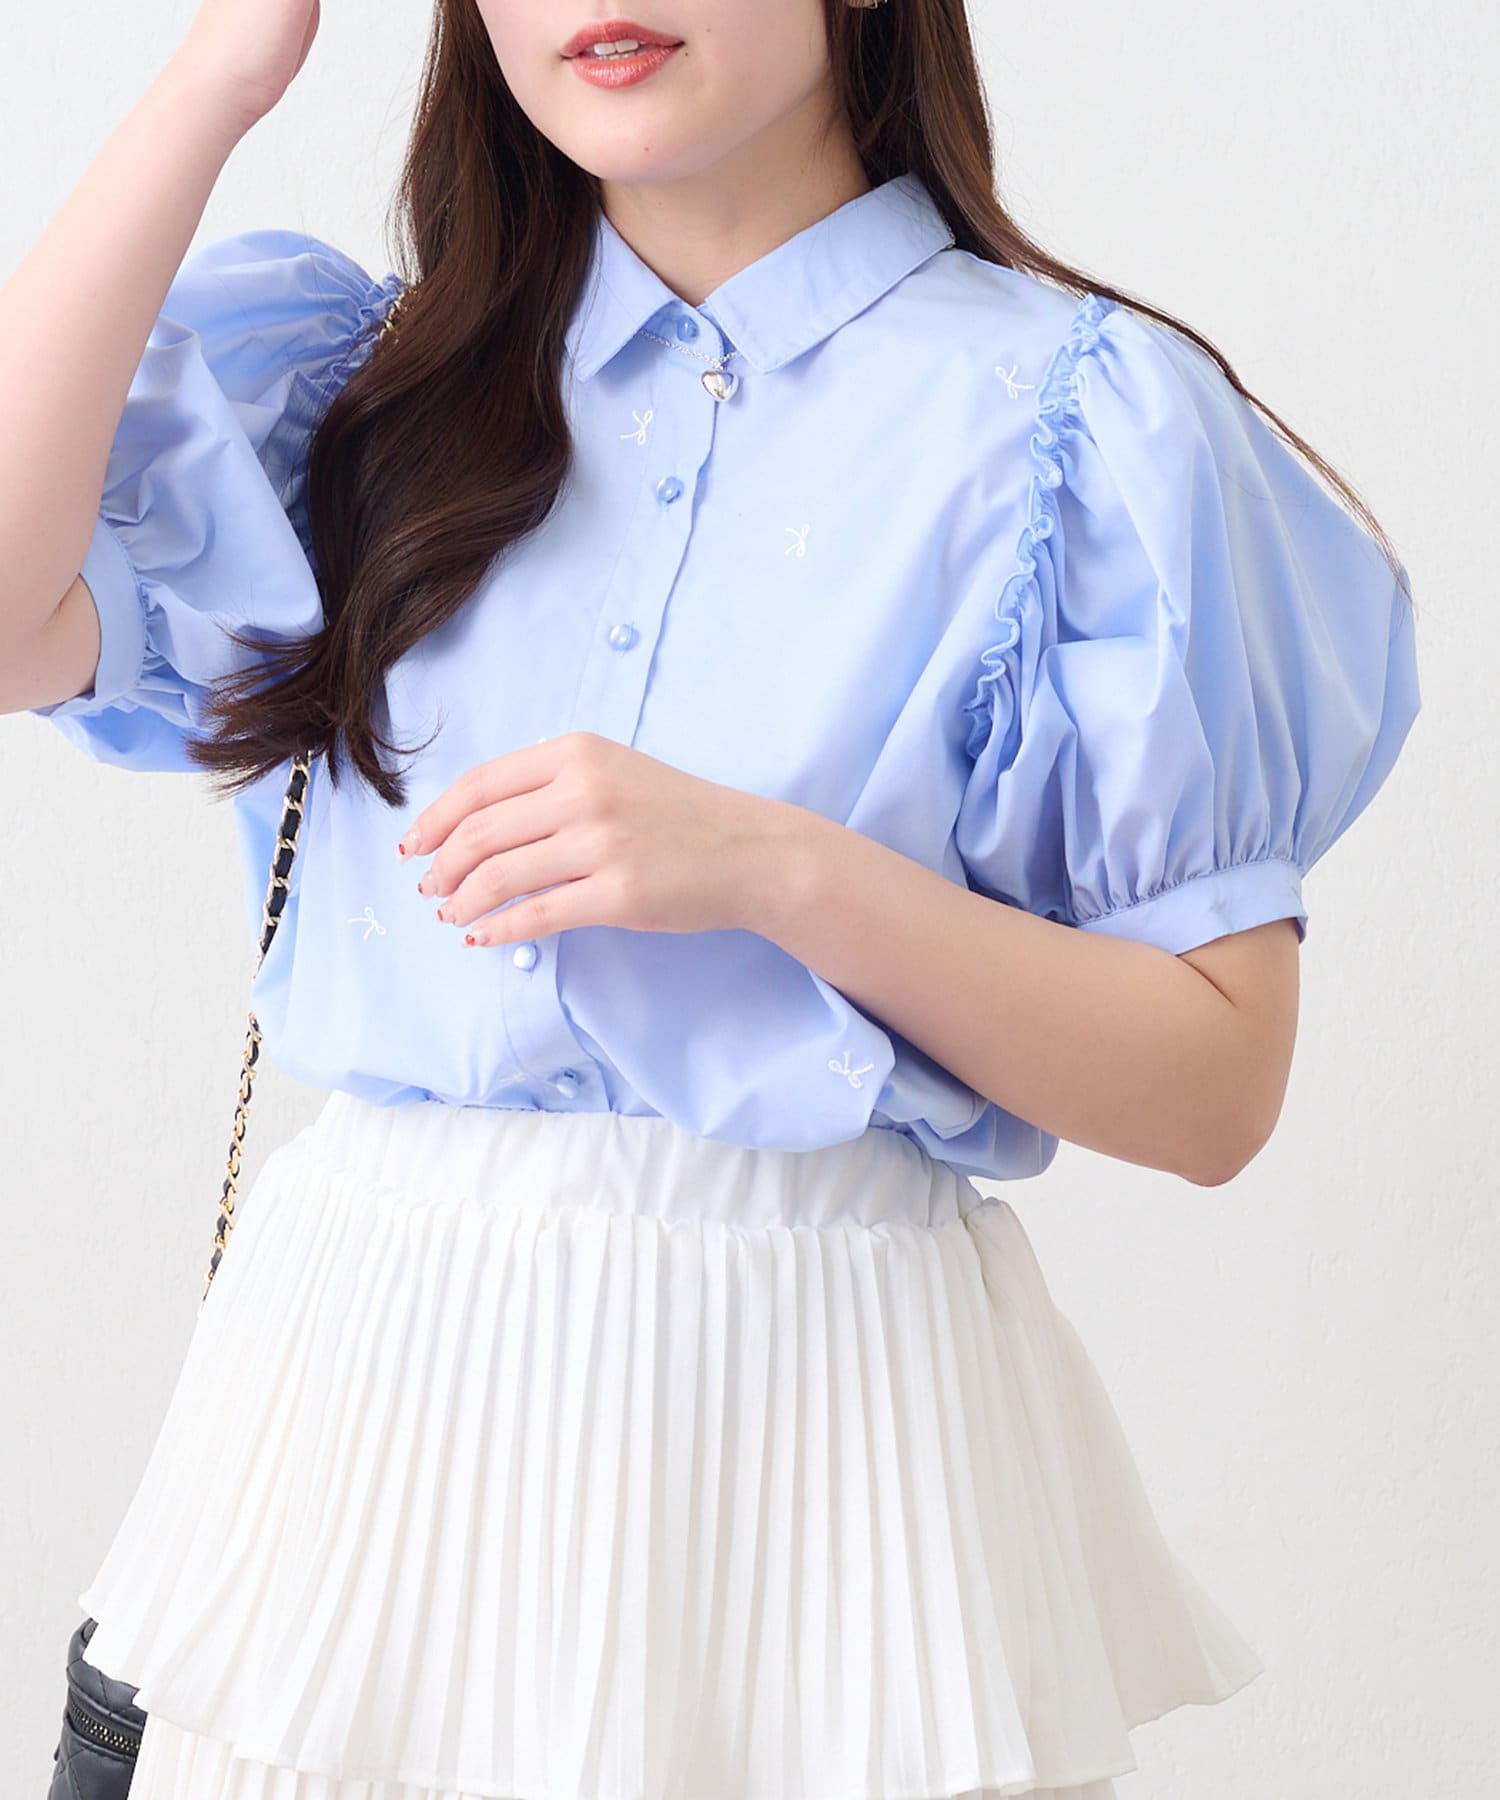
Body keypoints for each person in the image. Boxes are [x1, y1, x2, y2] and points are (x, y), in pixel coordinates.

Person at [3, 1, 1422, 1796]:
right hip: (356, 1433)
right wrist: (220, 73)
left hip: (825, 1451)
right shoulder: (367, 389)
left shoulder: (1084, 424)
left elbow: (1215, 1088)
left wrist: (774, 870)